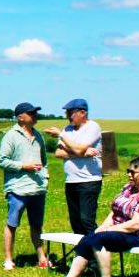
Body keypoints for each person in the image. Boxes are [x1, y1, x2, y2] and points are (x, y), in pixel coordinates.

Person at [52, 156, 139, 277]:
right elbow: (114, 211)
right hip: (123, 232)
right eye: (128, 171)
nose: (129, 175)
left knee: (100, 239)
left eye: (133, 172)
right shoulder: (129, 188)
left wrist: (108, 229)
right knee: (89, 237)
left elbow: (137, 224)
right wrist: (102, 228)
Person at [0, 102, 50, 270]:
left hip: (37, 189)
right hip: (17, 189)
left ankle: (41, 258)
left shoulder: (38, 135)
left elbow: (44, 161)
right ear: (20, 117)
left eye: (35, 113)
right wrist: (23, 166)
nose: (35, 116)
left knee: (37, 225)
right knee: (12, 224)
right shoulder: (11, 136)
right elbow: (2, 161)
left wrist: (45, 177)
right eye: (31, 113)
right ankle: (8, 259)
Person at [44, 99, 103, 237]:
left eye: (71, 113)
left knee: (86, 220)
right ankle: (82, 250)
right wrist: (82, 153)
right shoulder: (67, 130)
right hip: (71, 181)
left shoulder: (92, 127)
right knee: (75, 221)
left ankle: (97, 249)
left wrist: (62, 136)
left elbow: (78, 149)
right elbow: (58, 153)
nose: (68, 116)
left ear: (83, 113)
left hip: (89, 180)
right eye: (67, 113)